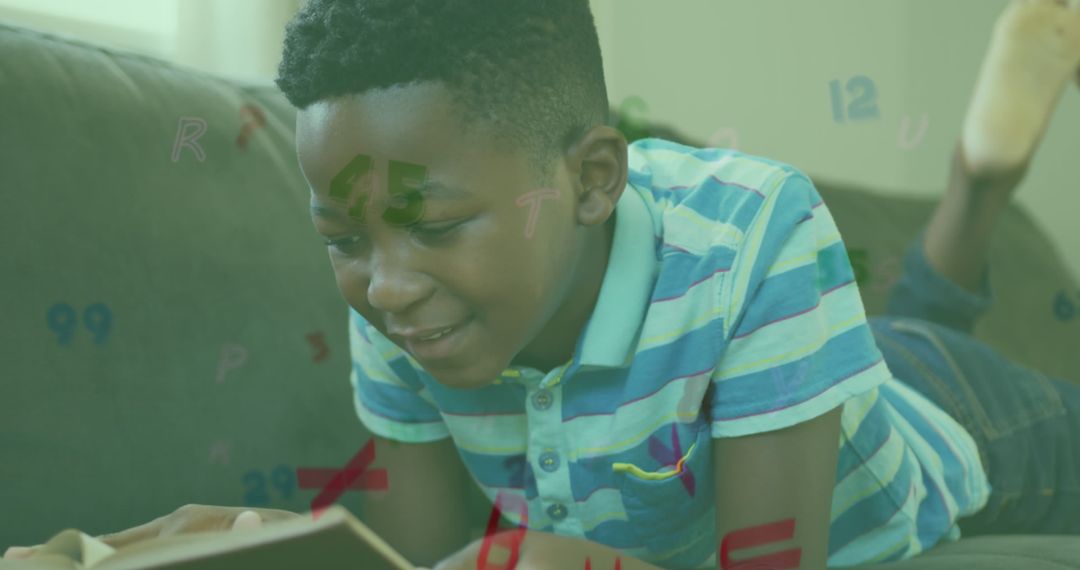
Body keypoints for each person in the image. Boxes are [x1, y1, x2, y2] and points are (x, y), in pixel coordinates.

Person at [6, 0, 1080, 568]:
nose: (384, 287)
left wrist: (574, 564)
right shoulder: (400, 295)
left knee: (920, 351)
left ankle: (979, 180)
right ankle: (978, 179)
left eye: (434, 224)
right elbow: (428, 559)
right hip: (791, 376)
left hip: (937, 422)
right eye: (342, 237)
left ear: (590, 179)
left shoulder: (758, 232)